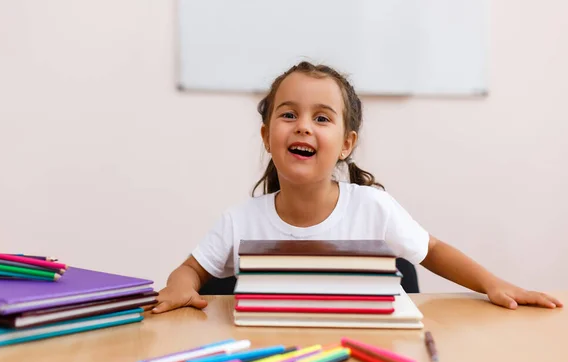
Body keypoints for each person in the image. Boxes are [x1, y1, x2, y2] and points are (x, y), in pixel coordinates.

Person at [152, 61, 562, 313]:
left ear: (347, 144)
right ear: (266, 136)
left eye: (323, 118)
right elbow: (190, 269)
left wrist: (493, 284)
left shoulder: (373, 208)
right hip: (267, 358)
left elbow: (431, 250)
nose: (304, 126)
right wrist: (179, 288)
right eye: (289, 114)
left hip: (359, 351)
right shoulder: (240, 220)